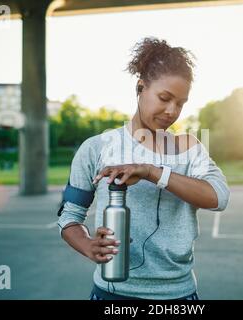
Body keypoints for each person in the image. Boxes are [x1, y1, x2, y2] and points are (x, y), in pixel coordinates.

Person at [58, 37, 230, 300]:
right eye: (164, 98)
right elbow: (70, 215)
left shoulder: (188, 147)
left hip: (178, 294)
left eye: (181, 103)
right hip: (113, 294)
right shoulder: (97, 147)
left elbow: (219, 197)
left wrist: (152, 172)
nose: (172, 111)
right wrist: (87, 245)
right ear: (140, 88)